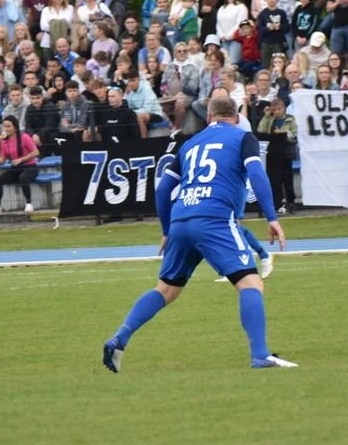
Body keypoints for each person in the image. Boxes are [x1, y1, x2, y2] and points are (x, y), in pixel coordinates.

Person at [102, 96, 293, 373]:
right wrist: (272, 218)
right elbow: (257, 174)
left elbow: (162, 190)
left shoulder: (189, 144)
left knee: (166, 289)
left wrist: (167, 231)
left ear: (209, 118)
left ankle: (120, 338)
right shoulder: (243, 137)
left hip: (181, 219)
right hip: (215, 219)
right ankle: (260, 355)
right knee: (251, 285)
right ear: (237, 116)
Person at [0, 115, 39, 215]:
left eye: (9, 126)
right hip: (16, 168)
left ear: (15, 127)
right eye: (5, 126)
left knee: (23, 178)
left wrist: (21, 159)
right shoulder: (5, 141)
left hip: (30, 166)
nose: (6, 129)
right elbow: (3, 159)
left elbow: (35, 152)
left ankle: (29, 203)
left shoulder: (24, 137)